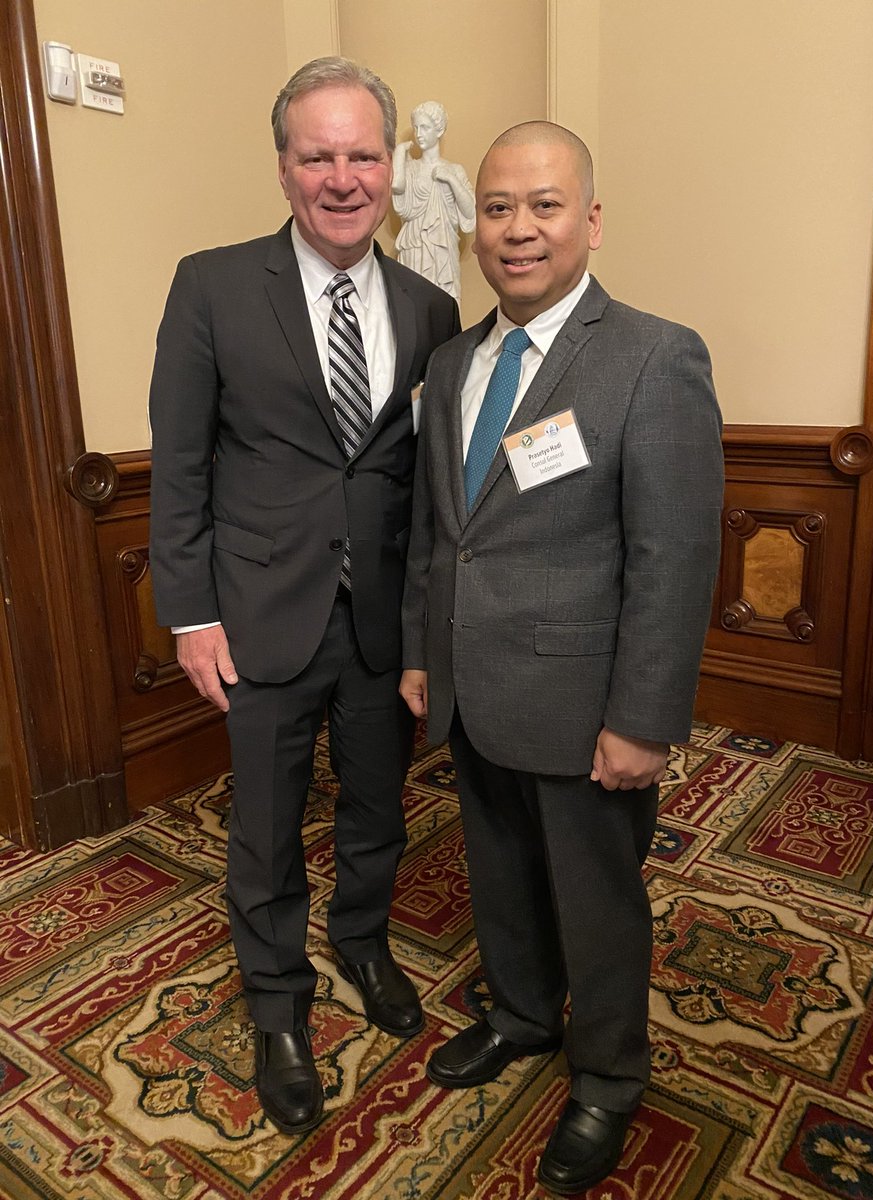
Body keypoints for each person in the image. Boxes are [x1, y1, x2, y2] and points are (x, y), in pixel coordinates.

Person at [400, 121, 723, 1195]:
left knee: (597, 903)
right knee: (495, 877)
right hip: (471, 689)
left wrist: (644, 718)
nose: (517, 229)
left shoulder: (652, 354)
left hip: (588, 704)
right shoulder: (452, 364)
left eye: (543, 206)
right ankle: (525, 1017)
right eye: (497, 209)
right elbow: (437, 532)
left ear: (589, 219)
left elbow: (672, 555)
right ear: (473, 230)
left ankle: (609, 1079)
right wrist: (419, 656)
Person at [149, 56, 460, 1136]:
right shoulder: (212, 283)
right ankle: (277, 1002)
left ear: (388, 169)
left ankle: (364, 943)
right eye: (317, 155)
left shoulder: (433, 306)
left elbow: (426, 482)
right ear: (283, 166)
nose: (343, 176)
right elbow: (180, 462)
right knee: (267, 828)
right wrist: (190, 614)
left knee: (379, 809)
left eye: (362, 154)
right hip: (258, 620)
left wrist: (430, 627)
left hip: (383, 625)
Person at [392, 100, 475, 301]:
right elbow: (396, 187)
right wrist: (399, 155)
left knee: (444, 306)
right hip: (414, 246)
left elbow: (471, 212)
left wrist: (452, 180)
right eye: (416, 127)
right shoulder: (411, 169)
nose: (418, 133)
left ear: (439, 130)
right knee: (412, 306)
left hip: (443, 247)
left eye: (425, 127)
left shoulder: (454, 170)